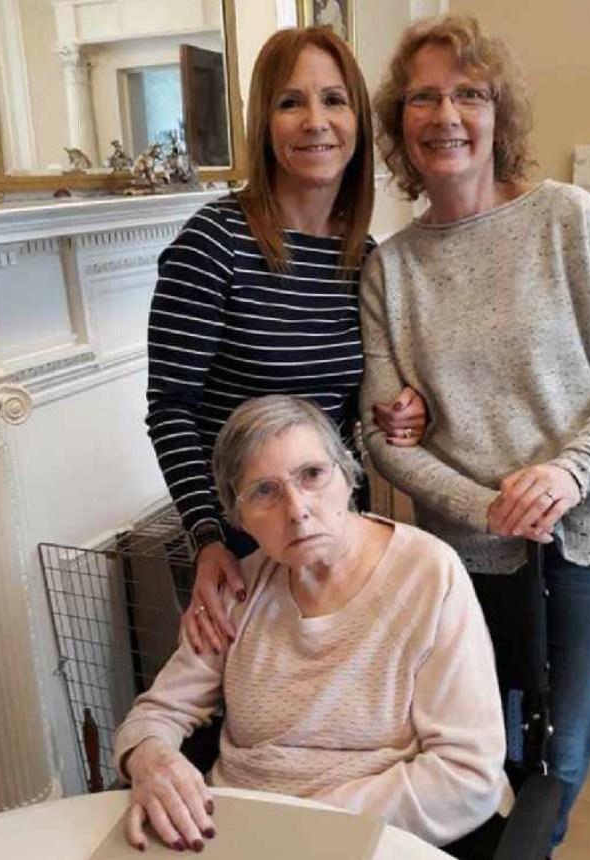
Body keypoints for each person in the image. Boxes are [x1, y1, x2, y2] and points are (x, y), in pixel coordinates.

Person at [360, 14, 590, 851]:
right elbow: (385, 435)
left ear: (499, 114)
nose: (445, 114)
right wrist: (485, 505)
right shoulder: (390, 267)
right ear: (399, 124)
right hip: (468, 549)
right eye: (422, 96)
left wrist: (568, 472)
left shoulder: (567, 218)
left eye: (469, 93)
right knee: (477, 745)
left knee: (563, 747)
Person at [114, 395, 511, 853]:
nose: (297, 509)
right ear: (237, 515)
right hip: (234, 835)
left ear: (347, 476)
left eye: (312, 475)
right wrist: (148, 756)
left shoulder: (428, 573)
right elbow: (157, 712)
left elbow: (467, 773)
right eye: (264, 491)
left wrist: (299, 830)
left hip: (368, 838)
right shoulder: (240, 588)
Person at [145, 27, 425, 655]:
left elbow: (351, 409)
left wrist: (401, 410)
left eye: (334, 100)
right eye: (290, 102)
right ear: (264, 123)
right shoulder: (212, 244)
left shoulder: (364, 257)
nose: (316, 122)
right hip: (245, 538)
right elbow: (170, 409)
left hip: (331, 527)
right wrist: (209, 537)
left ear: (356, 117)